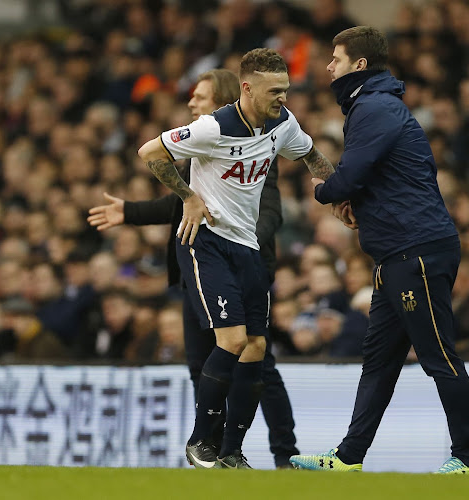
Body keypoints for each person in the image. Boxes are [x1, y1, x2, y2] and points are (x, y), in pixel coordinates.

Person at [289, 26, 469, 474]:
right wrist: (357, 202)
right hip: (396, 252)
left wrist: (327, 191)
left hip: (416, 250)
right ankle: (348, 457)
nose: (328, 67)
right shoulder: (372, 105)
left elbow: (351, 174)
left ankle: (468, 461)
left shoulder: (373, 107)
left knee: (438, 355)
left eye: (335, 59)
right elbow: (379, 177)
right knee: (378, 362)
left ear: (358, 65)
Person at [87, 68, 301, 467]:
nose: (191, 104)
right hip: (199, 272)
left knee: (257, 363)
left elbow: (268, 210)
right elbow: (182, 203)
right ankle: (215, 451)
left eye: (199, 98)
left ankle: (283, 455)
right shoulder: (203, 151)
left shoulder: (251, 144)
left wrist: (232, 231)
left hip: (241, 269)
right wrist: (130, 212)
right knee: (201, 364)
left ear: (221, 100)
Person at [136, 49, 336, 469]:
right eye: (273, 90)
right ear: (247, 88)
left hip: (248, 246)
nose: (282, 97)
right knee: (232, 339)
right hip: (206, 240)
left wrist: (341, 194)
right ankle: (199, 441)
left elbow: (312, 157)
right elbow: (150, 152)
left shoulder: (283, 123)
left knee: (257, 347)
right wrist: (188, 196)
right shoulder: (213, 127)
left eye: (285, 89)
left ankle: (231, 452)